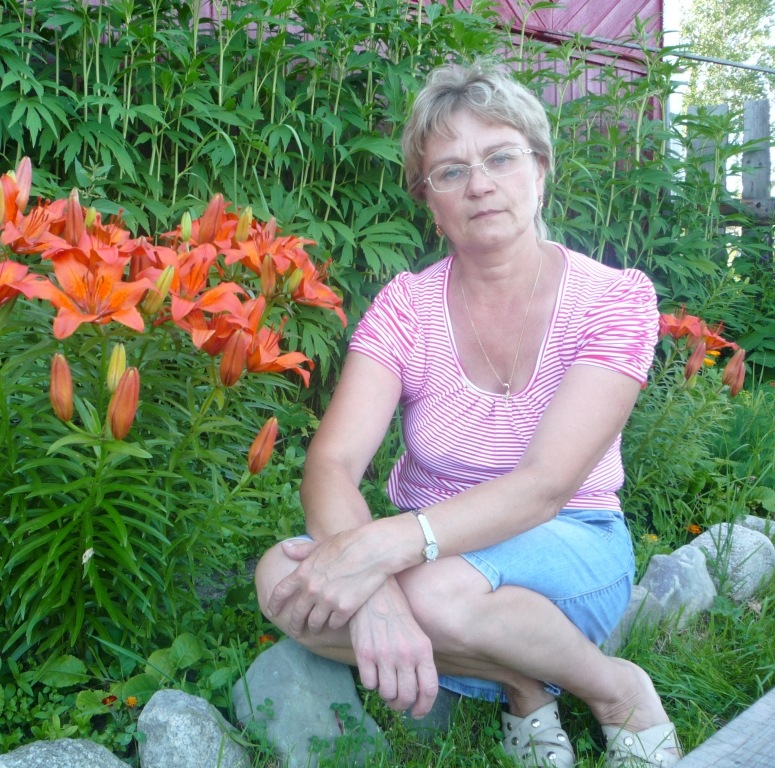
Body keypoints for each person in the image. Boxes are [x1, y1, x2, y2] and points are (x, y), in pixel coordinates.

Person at [256, 59, 682, 768]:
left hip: (567, 538)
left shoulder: (614, 300)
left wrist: (379, 556)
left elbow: (545, 486)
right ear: (430, 203)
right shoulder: (406, 305)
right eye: (450, 172)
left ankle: (616, 690)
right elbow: (332, 462)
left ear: (540, 169)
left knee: (433, 591)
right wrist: (376, 594)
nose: (479, 184)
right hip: (428, 554)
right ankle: (522, 682)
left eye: (500, 157)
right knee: (279, 578)